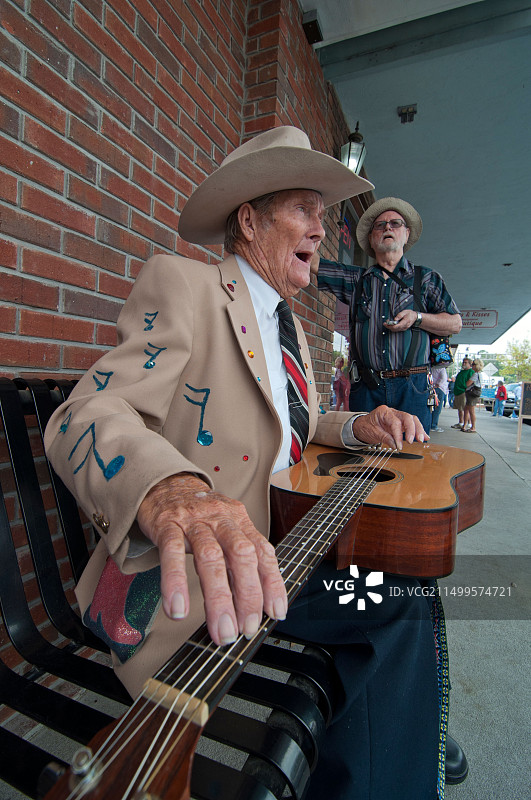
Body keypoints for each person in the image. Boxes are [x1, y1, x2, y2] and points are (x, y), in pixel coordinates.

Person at [44, 127, 464, 800]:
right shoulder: (184, 284)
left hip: (281, 554)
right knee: (399, 605)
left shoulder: (287, 325)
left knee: (402, 581)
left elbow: (287, 422)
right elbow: (86, 413)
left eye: (322, 216)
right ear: (248, 219)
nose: (320, 230)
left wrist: (355, 423)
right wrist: (169, 486)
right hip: (201, 584)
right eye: (303, 208)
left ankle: (395, 736)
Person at [312, 197, 462, 435]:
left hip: (413, 387)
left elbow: (455, 323)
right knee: (364, 456)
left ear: (406, 233)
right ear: (372, 239)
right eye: (380, 225)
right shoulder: (357, 280)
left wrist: (418, 317)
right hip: (367, 386)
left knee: (410, 458)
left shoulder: (426, 278)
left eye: (395, 223)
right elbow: (313, 263)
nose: (388, 228)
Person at [451, 357, 474, 429]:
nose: (463, 364)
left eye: (465, 362)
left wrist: (464, 388)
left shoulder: (471, 372)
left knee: (464, 409)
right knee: (460, 409)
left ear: (470, 364)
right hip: (458, 392)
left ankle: (466, 423)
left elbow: (470, 383)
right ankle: (461, 422)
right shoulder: (461, 372)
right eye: (463, 362)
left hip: (464, 392)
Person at [462, 358, 484, 432]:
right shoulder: (480, 374)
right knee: (467, 409)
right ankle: (465, 425)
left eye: (473, 364)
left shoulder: (475, 374)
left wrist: (465, 384)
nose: (472, 366)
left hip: (472, 394)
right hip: (475, 393)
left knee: (471, 411)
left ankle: (473, 427)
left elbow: (468, 384)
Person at [430, 365, 448, 432]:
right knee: (437, 408)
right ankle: (434, 425)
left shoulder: (431, 367)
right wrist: (438, 384)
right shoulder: (441, 368)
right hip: (439, 389)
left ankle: (429, 423)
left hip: (431, 388)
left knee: (430, 407)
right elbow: (443, 378)